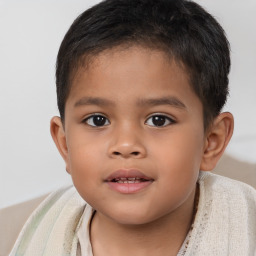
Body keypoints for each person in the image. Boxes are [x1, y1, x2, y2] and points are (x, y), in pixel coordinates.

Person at [10, 0, 256, 255]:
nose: (126, 145)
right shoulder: (21, 237)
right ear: (64, 144)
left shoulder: (246, 231)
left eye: (158, 120)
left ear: (211, 142)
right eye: (98, 120)